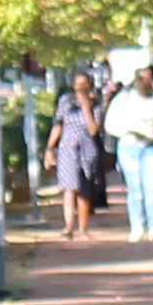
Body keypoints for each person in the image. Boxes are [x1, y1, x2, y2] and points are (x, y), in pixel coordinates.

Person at [111, 64, 153, 240]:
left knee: (152, 186)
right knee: (135, 186)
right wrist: (126, 132)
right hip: (129, 146)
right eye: (141, 79)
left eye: (149, 78)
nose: (145, 83)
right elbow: (110, 123)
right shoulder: (124, 99)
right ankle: (137, 226)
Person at [50, 71, 105, 243]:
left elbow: (93, 130)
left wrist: (86, 107)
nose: (81, 88)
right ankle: (68, 226)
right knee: (69, 189)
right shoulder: (65, 102)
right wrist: (50, 147)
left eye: (85, 84)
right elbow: (58, 125)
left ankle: (83, 229)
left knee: (83, 192)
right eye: (78, 84)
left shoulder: (95, 105)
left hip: (86, 151)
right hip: (67, 148)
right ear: (73, 86)